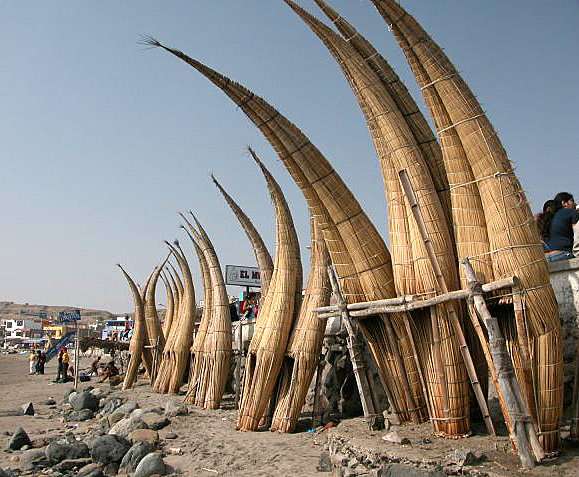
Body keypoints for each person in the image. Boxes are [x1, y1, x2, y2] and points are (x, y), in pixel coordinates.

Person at [541, 192, 579, 262]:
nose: (574, 204)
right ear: (564, 203)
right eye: (572, 201)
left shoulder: (551, 216)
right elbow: (578, 233)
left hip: (549, 254)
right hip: (564, 253)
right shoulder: (571, 212)